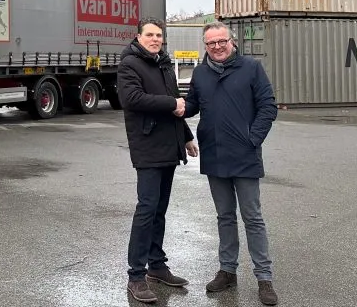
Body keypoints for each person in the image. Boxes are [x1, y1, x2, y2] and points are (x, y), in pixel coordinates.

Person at [183, 21, 279, 305]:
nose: (217, 47)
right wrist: (172, 105)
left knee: (253, 218)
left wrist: (253, 139)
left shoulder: (251, 68)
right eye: (211, 43)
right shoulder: (200, 74)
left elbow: (268, 106)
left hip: (244, 155)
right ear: (206, 46)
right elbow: (191, 105)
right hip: (214, 156)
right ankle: (227, 271)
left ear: (232, 41)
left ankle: (264, 278)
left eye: (221, 41)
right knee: (224, 217)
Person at [117, 17, 199, 304]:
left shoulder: (163, 63)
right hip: (148, 145)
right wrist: (171, 104)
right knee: (147, 209)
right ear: (138, 37)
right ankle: (136, 276)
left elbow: (175, 100)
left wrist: (186, 136)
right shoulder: (129, 64)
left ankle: (157, 266)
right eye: (150, 35)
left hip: (169, 145)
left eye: (159, 35)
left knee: (160, 209)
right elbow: (133, 99)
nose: (155, 39)